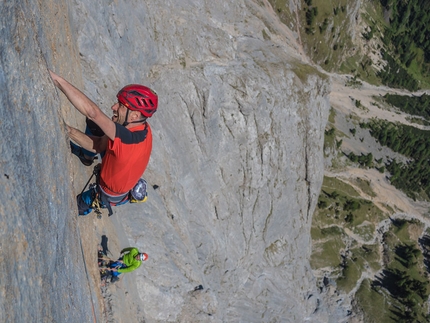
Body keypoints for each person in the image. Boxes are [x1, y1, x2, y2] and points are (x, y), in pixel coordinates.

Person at [50, 71, 158, 215]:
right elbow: (100, 144)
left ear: (134, 115)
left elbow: (93, 113)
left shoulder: (126, 141)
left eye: (120, 105)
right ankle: (86, 157)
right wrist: (68, 131)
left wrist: (57, 80)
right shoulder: (144, 128)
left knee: (77, 205)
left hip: (108, 192)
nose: (114, 107)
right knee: (96, 127)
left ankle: (79, 210)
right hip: (120, 170)